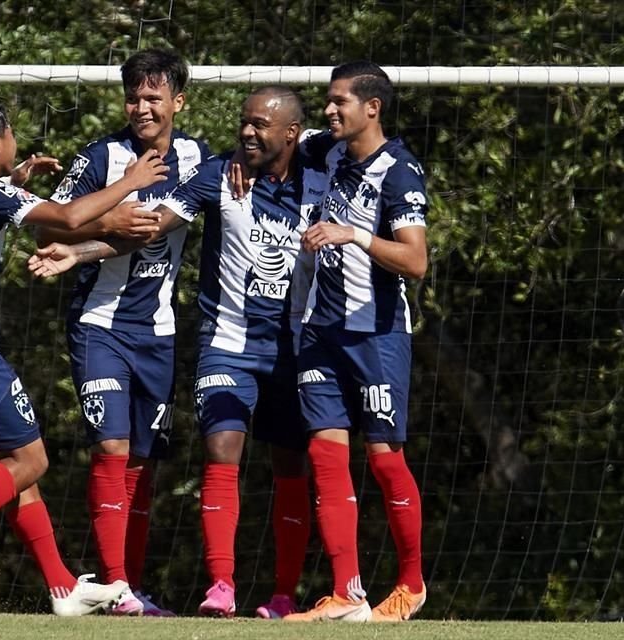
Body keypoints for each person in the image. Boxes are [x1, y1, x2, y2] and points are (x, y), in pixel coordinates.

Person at [29, 86, 319, 620]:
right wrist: (78, 250)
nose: (248, 132)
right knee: (219, 449)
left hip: (294, 349)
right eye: (244, 123)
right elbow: (149, 228)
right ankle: (221, 586)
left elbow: (349, 140)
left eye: (261, 125)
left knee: (290, 464)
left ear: (291, 134)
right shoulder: (215, 174)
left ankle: (284, 596)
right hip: (226, 343)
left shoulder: (321, 171)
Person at [0, 93, 167, 616]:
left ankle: (63, 587)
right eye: (10, 132)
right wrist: (130, 182)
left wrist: (13, 181)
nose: (15, 139)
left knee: (10, 464)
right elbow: (65, 216)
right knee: (30, 458)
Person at [34, 48, 210, 617]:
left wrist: (86, 245)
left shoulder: (197, 158)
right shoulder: (99, 157)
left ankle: (129, 588)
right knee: (110, 448)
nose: (141, 107)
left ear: (177, 102)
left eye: (153, 97)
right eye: (133, 96)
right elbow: (50, 225)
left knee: (144, 463)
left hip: (158, 332)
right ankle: (115, 588)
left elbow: (151, 230)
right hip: (100, 327)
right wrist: (97, 222)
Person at [281, 61, 428, 623]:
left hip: (378, 333)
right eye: (328, 100)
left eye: (340, 101)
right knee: (325, 452)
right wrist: (243, 166)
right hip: (321, 328)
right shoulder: (329, 149)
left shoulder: (400, 173)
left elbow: (415, 260)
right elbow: (276, 139)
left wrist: (353, 234)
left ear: (373, 107)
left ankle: (411, 585)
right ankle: (346, 593)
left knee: (385, 459)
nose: (328, 110)